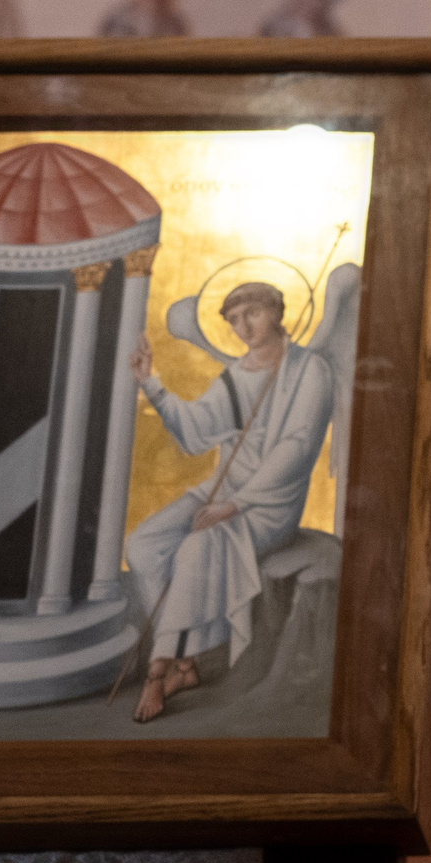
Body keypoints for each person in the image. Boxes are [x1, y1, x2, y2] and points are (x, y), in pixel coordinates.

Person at [124, 281, 336, 723]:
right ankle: (187, 665)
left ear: (277, 311)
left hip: (267, 503)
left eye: (252, 314)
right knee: (144, 544)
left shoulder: (308, 371)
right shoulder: (237, 375)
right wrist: (152, 384)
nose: (242, 327)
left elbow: (296, 450)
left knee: (196, 546)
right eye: (234, 320)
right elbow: (198, 429)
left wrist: (235, 505)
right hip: (219, 490)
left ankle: (157, 672)